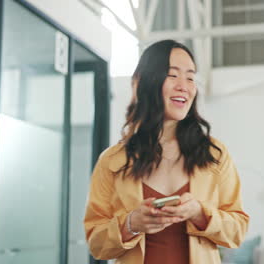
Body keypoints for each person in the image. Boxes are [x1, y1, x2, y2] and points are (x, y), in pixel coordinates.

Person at [84, 39, 249, 264]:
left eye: (190, 77)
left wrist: (200, 214)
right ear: (145, 82)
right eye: (173, 75)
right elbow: (96, 244)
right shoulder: (112, 161)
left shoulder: (215, 154)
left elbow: (238, 230)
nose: (184, 85)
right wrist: (131, 224)